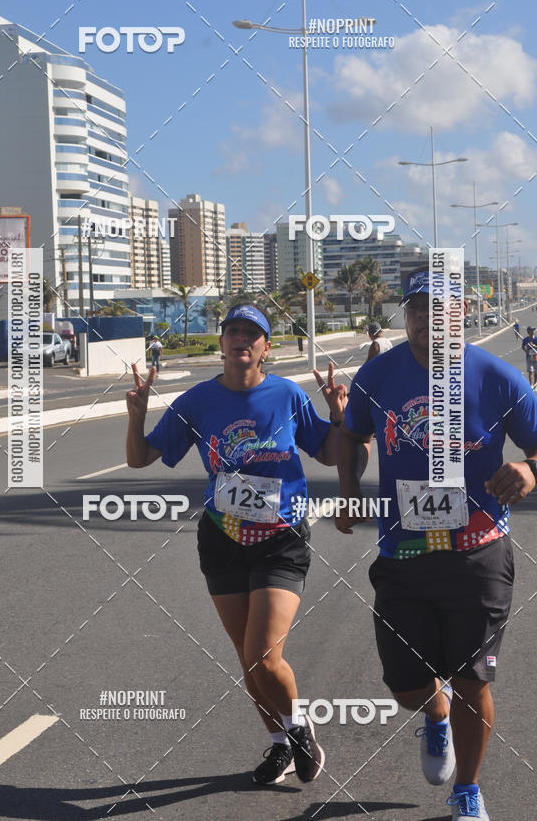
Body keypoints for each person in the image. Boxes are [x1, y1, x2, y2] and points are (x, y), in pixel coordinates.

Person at [334, 267, 537, 821]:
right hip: (403, 554)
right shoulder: (378, 375)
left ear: (461, 314)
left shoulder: (497, 378)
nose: (427, 319)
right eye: (417, 309)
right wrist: (350, 491)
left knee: (473, 680)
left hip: (479, 553)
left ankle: (467, 789)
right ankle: (433, 714)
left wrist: (529, 469)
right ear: (407, 316)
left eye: (440, 309)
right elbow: (353, 434)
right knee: (405, 684)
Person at [126, 303, 348, 786]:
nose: (241, 339)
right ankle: (279, 746)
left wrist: (337, 416)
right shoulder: (197, 401)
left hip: (280, 539)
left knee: (264, 656)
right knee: (247, 659)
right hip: (223, 537)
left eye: (253, 333)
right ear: (222, 341)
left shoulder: (287, 395)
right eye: (233, 332)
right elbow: (141, 457)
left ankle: (299, 729)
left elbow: (330, 455)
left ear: (266, 347)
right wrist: (138, 416)